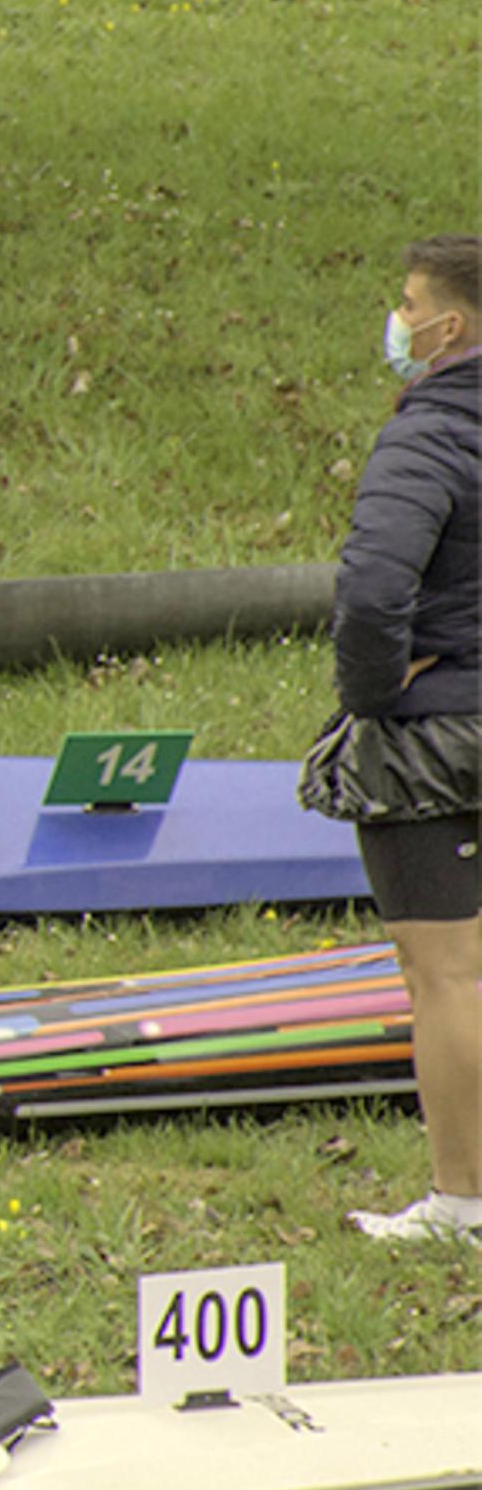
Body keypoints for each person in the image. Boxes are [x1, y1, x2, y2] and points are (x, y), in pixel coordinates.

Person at [314, 234, 480, 1244]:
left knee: (446, 974)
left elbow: (372, 591)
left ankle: (459, 1201)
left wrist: (372, 697)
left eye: (407, 303)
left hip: (435, 737)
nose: (397, 319)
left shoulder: (424, 436)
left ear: (446, 327)